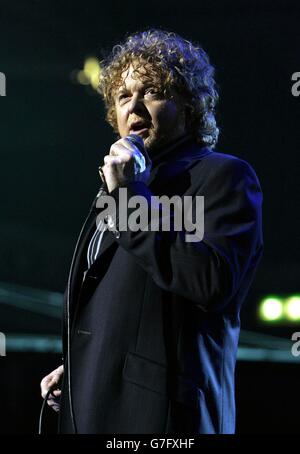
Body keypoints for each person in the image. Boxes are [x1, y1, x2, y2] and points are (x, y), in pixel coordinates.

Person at [40, 29, 263, 434]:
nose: (135, 105)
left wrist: (130, 196)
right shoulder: (122, 187)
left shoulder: (222, 177)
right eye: (123, 97)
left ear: (189, 105)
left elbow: (209, 280)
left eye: (153, 91)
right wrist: (83, 367)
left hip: (163, 421)